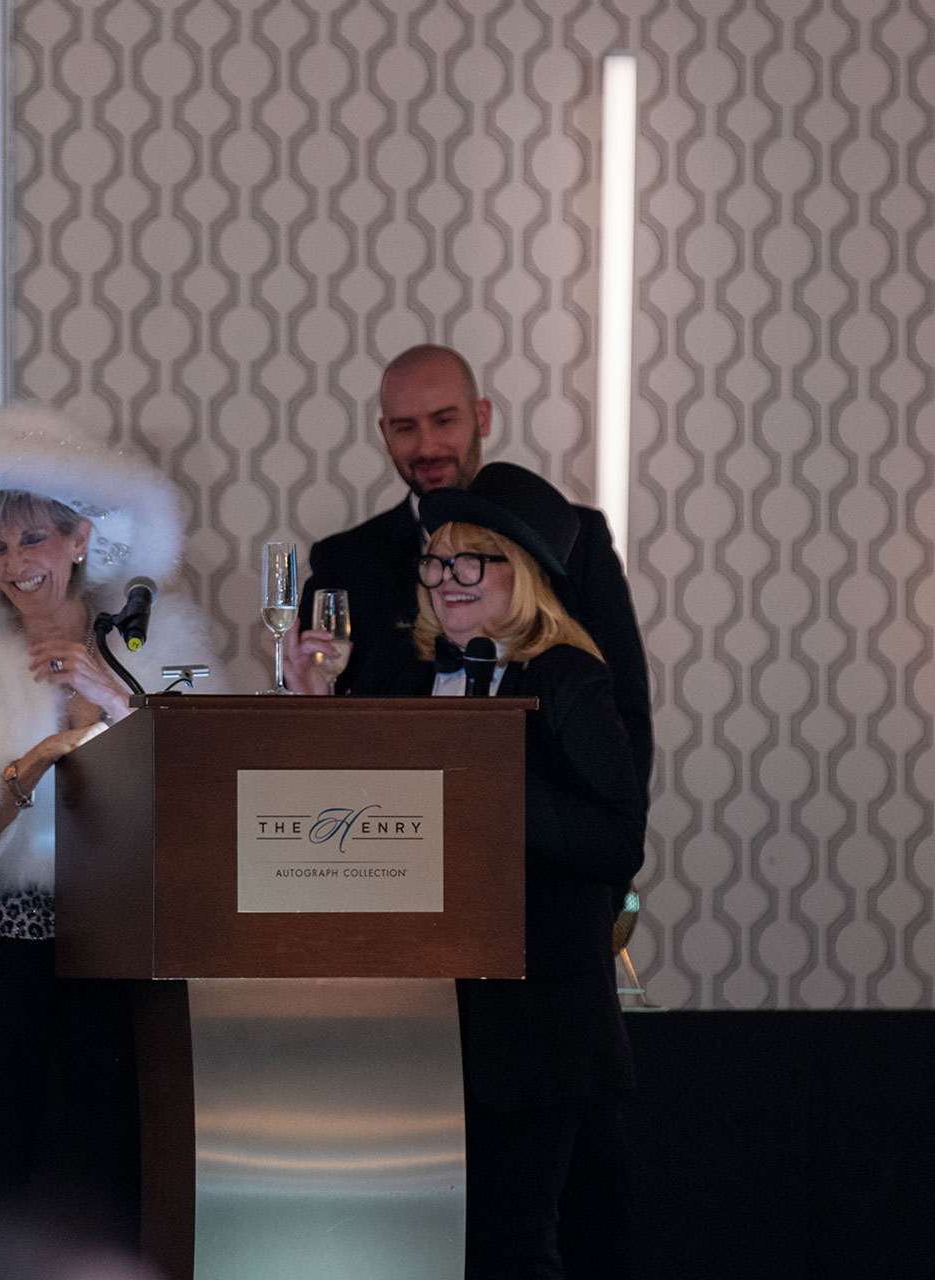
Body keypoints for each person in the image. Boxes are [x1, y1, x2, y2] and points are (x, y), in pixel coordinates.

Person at [0, 404, 221, 1244]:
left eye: (32, 540)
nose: (15, 565)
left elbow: (204, 790)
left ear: (80, 539)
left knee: (114, 1177)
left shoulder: (157, 641)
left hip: (125, 948)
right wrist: (25, 770)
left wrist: (108, 699)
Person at [291, 462, 647, 1278]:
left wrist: (494, 781)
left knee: (511, 1245)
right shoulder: (403, 670)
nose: (446, 579)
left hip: (534, 1025)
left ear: (521, 574)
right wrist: (315, 705)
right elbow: (350, 810)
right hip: (415, 1019)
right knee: (419, 1249)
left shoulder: (569, 678)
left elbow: (615, 840)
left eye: (470, 562)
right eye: (436, 560)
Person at [297, 344, 652, 798]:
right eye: (405, 428)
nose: (427, 446)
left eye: (444, 421)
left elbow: (626, 710)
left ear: (482, 417)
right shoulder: (345, 560)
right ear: (384, 433)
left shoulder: (576, 539)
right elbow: (326, 728)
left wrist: (614, 827)